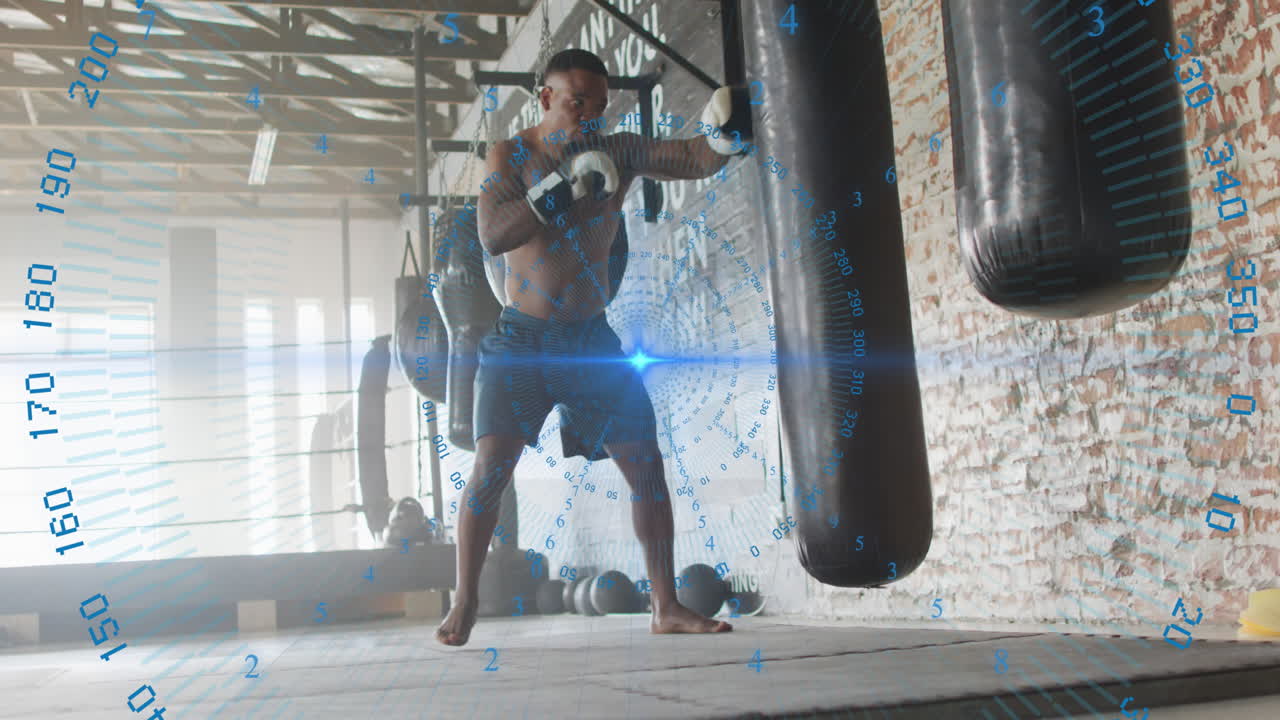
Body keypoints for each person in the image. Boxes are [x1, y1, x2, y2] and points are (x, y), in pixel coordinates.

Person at [435, 48, 753, 646]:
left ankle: (666, 606)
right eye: (577, 102)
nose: (589, 116)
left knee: (647, 468)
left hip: (592, 340)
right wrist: (558, 192)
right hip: (522, 342)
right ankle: (466, 600)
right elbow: (493, 233)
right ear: (546, 97)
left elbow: (693, 159)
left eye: (599, 106)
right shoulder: (512, 155)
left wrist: (723, 128)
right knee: (490, 472)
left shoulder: (620, 149)